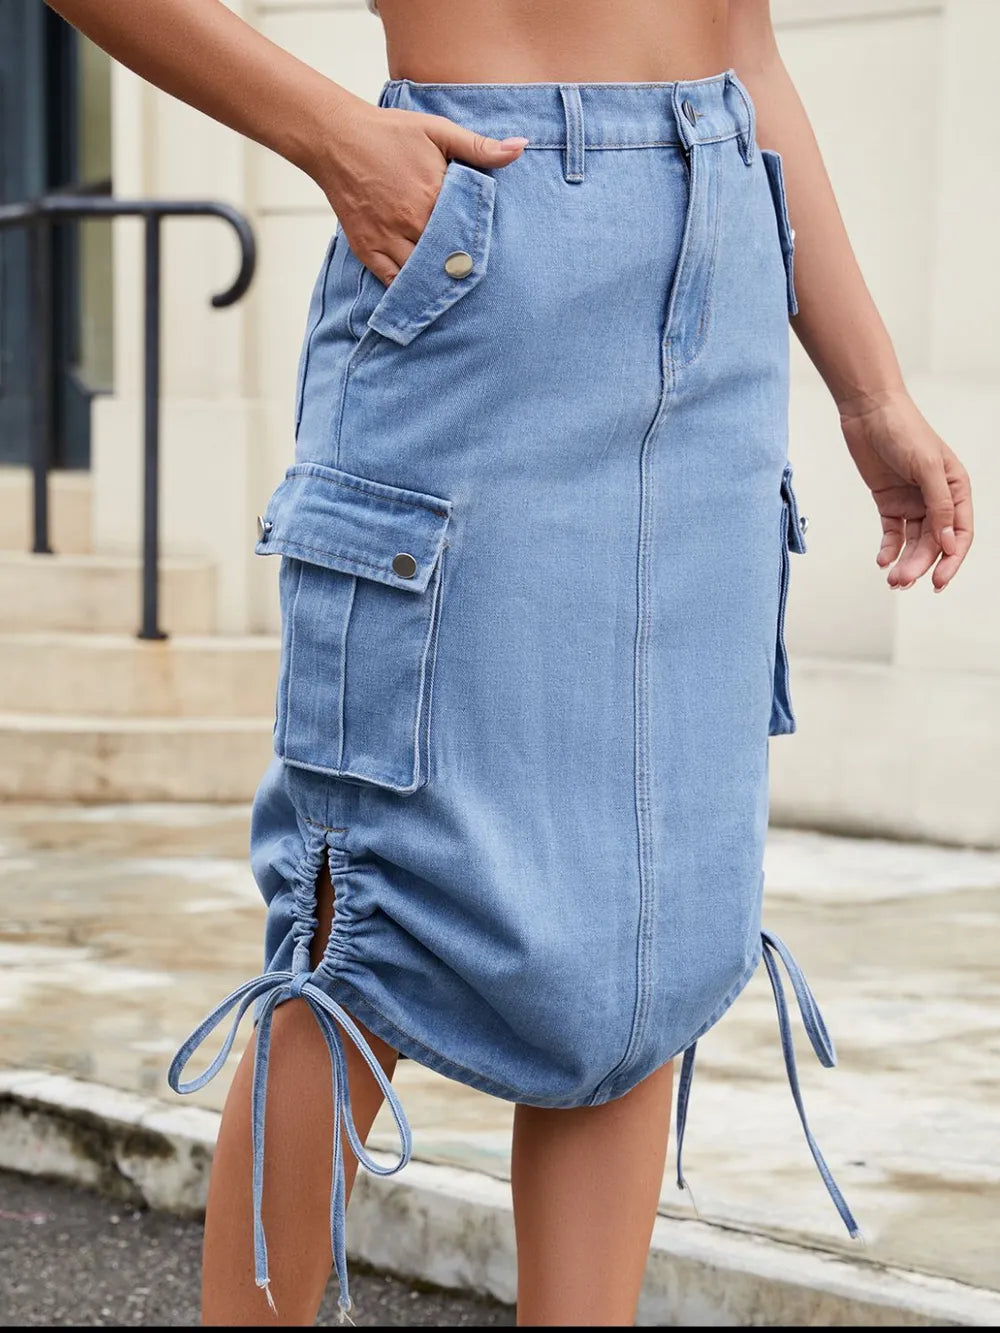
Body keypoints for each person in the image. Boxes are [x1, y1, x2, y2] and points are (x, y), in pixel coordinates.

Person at [47, 1, 974, 1326]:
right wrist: (334, 140)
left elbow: (749, 42)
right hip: (475, 230)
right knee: (365, 906)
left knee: (643, 928)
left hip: (718, 246)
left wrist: (871, 390)